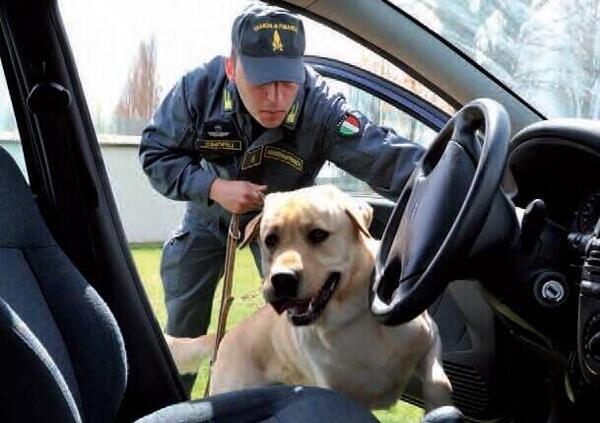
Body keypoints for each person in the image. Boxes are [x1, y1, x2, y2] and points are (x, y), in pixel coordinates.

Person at [139, 2, 424, 394]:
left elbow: (385, 157)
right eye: (261, 82)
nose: (275, 97)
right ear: (231, 68)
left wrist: (448, 173)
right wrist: (213, 188)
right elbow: (155, 153)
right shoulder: (197, 90)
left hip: (284, 229)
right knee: (183, 320)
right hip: (207, 216)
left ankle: (280, 397)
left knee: (294, 314)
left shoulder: (320, 105)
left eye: (287, 82)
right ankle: (176, 402)